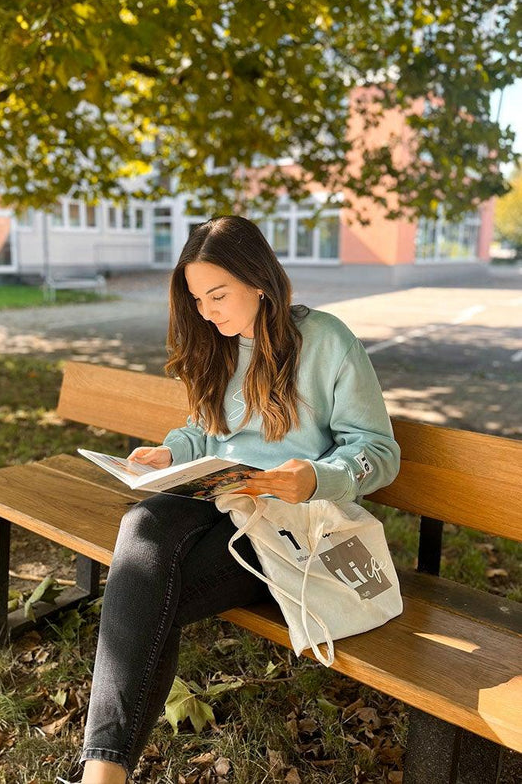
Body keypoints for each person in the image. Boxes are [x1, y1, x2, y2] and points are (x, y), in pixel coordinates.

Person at [65, 215, 401, 784]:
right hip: (216, 494)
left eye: (216, 294)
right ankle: (105, 772)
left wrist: (319, 477)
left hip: (285, 526)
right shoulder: (218, 344)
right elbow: (204, 429)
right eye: (197, 299)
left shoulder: (327, 342)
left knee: (146, 593)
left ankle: (101, 772)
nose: (206, 311)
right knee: (142, 525)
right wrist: (172, 454)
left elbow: (378, 450)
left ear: (260, 281)